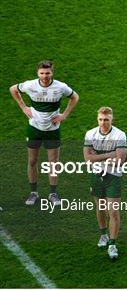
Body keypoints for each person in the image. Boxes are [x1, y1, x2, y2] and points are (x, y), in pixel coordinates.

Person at [9, 60, 79, 206]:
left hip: (52, 130)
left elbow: (75, 97)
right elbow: (13, 89)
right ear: (37, 73)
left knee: (53, 163)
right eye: (42, 73)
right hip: (34, 128)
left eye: (47, 73)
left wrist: (64, 115)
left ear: (52, 72)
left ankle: (53, 194)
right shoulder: (30, 85)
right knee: (32, 161)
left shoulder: (60, 87)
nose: (45, 76)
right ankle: (33, 192)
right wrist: (23, 107)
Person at [83, 107, 127, 260]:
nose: (103, 123)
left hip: (113, 177)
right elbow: (87, 158)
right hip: (96, 175)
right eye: (101, 120)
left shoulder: (120, 135)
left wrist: (98, 156)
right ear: (97, 119)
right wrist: (111, 155)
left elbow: (119, 162)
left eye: (106, 120)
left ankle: (112, 244)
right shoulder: (90, 134)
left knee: (113, 212)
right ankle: (103, 235)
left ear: (112, 120)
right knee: (100, 208)